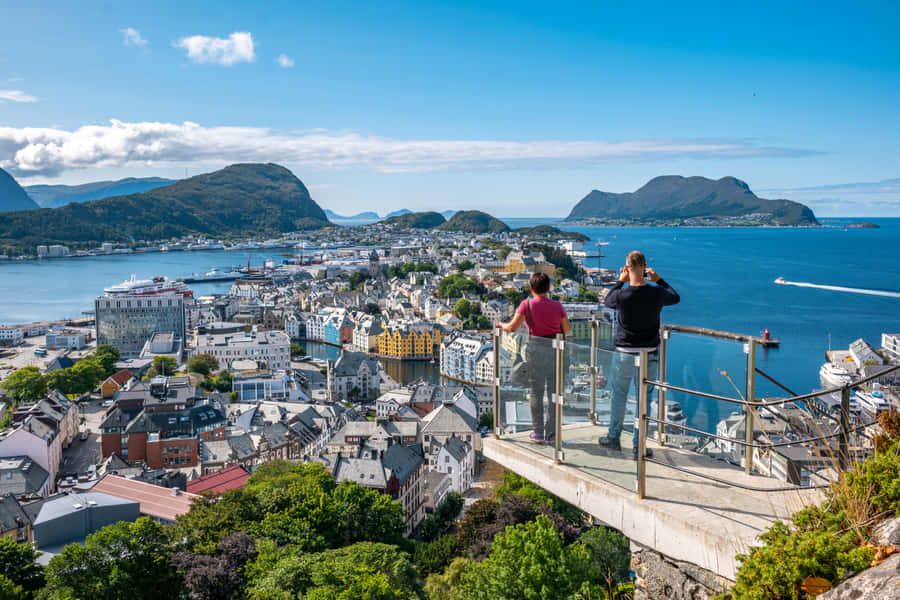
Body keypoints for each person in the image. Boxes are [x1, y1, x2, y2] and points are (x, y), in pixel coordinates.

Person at [599, 250, 680, 458]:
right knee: (644, 399)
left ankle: (614, 438)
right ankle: (639, 445)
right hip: (649, 354)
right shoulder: (656, 292)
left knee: (619, 396)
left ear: (627, 268)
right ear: (645, 269)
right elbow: (675, 297)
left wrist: (619, 281)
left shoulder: (622, 295)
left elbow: (608, 301)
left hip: (625, 352)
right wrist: (659, 279)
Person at [498, 272, 571, 443]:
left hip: (535, 351)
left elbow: (512, 327)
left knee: (536, 392)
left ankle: (538, 432)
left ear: (531, 288)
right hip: (554, 350)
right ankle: (552, 435)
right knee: (554, 394)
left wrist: (501, 325)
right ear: (549, 288)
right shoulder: (557, 306)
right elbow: (567, 330)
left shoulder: (527, 304)